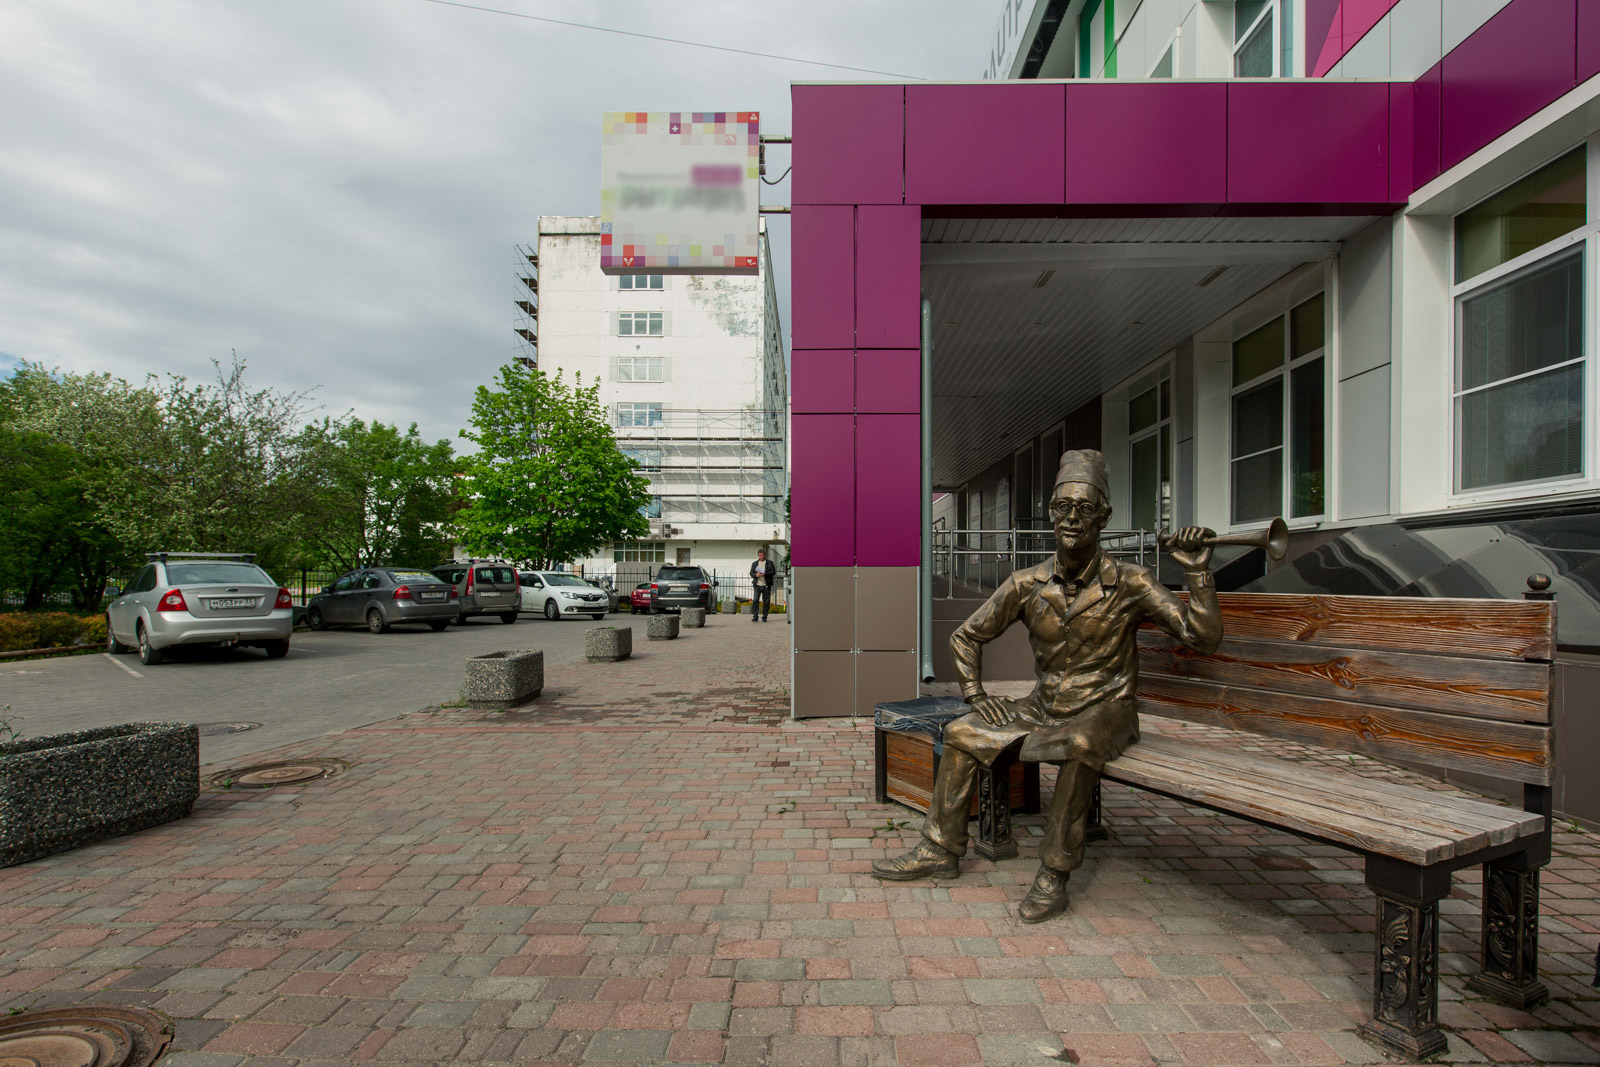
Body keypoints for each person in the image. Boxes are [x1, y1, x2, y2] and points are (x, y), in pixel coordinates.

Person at [871, 450, 1222, 924]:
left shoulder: (1132, 582)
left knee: (1080, 743)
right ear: (1052, 513)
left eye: (1084, 508)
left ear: (1103, 517)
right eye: (1063, 507)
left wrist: (1197, 571)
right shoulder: (1026, 583)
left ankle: (1055, 873)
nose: (1072, 518)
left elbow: (1202, 637)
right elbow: (966, 636)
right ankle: (940, 849)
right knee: (961, 732)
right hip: (1044, 706)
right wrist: (976, 695)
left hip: (1107, 709)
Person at [749, 548, 776, 622]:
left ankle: (764, 616)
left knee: (766, 602)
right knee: (755, 601)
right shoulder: (755, 563)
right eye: (760, 555)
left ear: (765, 555)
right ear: (758, 555)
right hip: (757, 585)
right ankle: (755, 616)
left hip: (766, 585)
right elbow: (751, 573)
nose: (761, 556)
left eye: (762, 555)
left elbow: (773, 572)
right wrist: (756, 575)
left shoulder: (769, 563)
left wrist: (766, 573)